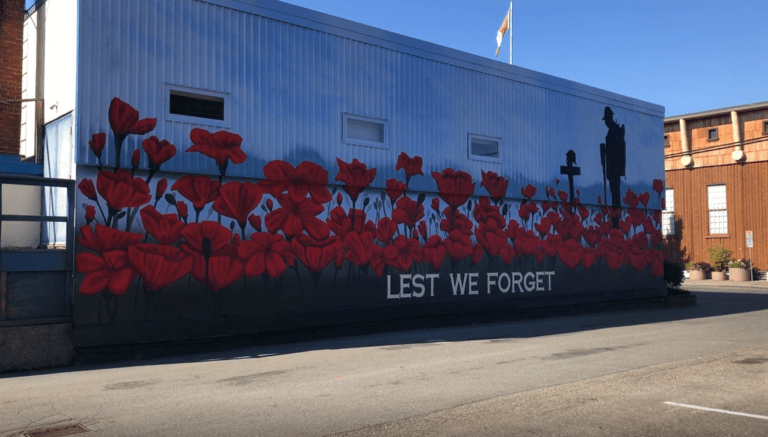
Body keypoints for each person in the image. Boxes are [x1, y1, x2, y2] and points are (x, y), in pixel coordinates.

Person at [599, 106, 626, 226]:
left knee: (615, 193)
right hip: (613, 168)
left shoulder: (614, 131)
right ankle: (615, 219)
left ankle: (616, 220)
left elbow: (616, 150)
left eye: (606, 120)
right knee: (614, 192)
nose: (605, 122)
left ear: (609, 119)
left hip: (613, 168)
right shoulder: (613, 130)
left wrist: (606, 151)